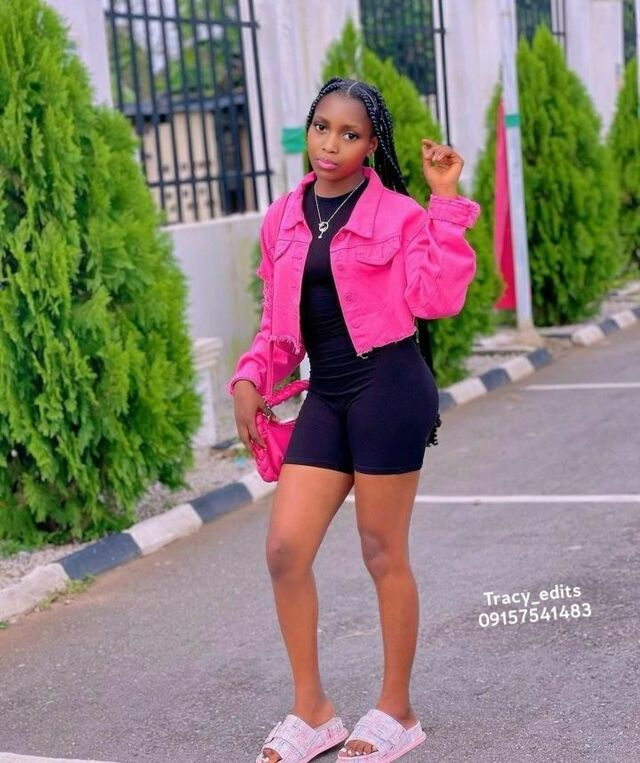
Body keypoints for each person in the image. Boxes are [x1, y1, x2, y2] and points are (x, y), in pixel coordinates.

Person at [227, 77, 481, 763]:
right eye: (322, 127)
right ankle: (312, 710)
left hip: (389, 387)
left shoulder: (398, 214)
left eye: (349, 134)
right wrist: (249, 376)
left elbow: (437, 298)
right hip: (329, 393)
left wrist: (445, 201)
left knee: (381, 549)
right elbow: (278, 327)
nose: (330, 144)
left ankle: (398, 709)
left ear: (371, 146)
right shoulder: (284, 217)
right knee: (285, 549)